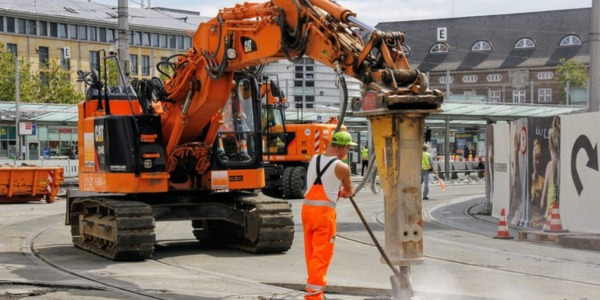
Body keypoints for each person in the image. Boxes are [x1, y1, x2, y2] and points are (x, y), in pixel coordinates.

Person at [302, 131, 356, 300]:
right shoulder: (342, 167)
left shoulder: (314, 158)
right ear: (344, 148)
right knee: (322, 254)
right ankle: (315, 295)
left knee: (310, 252)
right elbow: (349, 191)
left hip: (307, 211)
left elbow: (322, 182)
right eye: (348, 149)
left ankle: (314, 289)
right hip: (324, 215)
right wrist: (342, 192)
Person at [541, 117, 560, 228]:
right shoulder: (559, 163)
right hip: (554, 194)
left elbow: (545, 189)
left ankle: (549, 224)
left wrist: (542, 200)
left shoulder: (550, 165)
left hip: (551, 197)